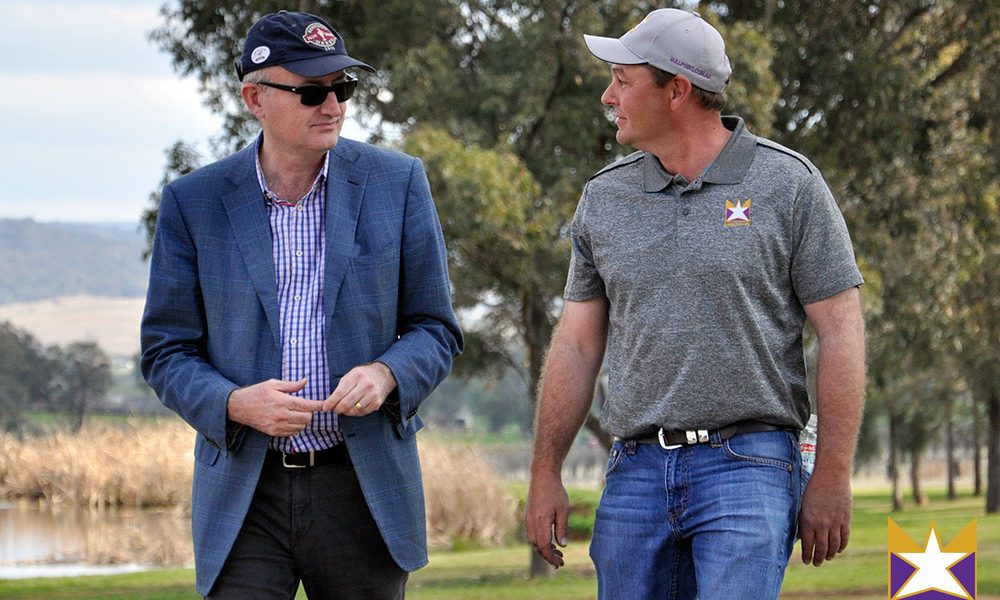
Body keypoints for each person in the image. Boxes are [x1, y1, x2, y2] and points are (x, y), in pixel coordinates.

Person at [525, 8, 865, 599]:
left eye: (622, 80)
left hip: (751, 466)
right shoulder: (604, 198)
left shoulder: (790, 184)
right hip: (634, 473)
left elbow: (842, 333)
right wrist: (544, 471)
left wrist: (833, 475)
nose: (608, 96)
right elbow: (576, 346)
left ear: (676, 90)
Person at [141, 11, 462, 599]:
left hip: (361, 489)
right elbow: (166, 351)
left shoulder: (398, 183)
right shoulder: (193, 202)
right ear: (255, 98)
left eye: (343, 87)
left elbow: (436, 328)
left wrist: (387, 373)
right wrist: (234, 403)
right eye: (313, 91)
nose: (333, 105)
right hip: (245, 492)